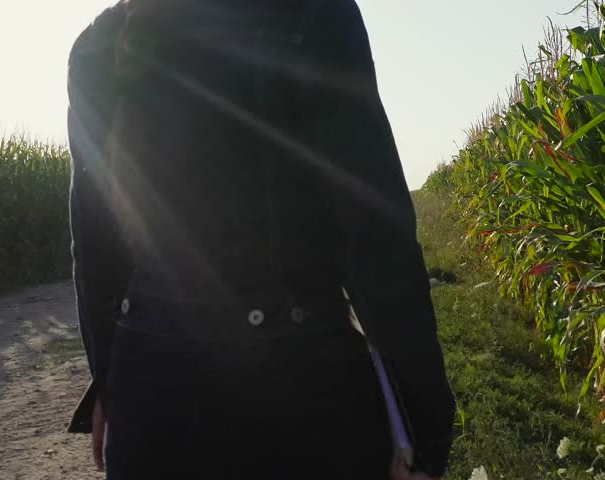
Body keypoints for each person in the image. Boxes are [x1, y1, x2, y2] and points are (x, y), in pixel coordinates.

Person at [65, 0, 456, 478]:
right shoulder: (311, 15)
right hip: (304, 392)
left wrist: (110, 383)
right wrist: (424, 426)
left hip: (150, 398)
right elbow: (376, 238)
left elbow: (96, 249)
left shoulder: (99, 44)